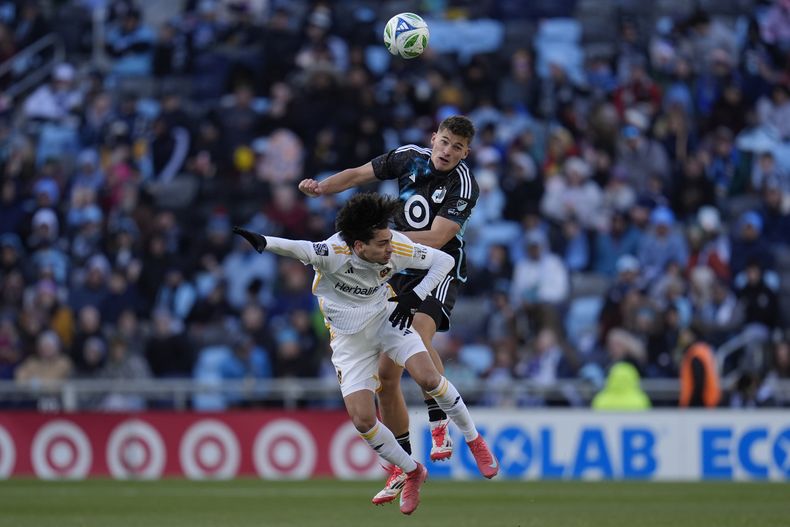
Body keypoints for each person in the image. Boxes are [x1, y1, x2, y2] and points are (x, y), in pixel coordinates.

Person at [233, 193, 498, 515]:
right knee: (361, 419)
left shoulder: (396, 247)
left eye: (390, 240)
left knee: (429, 377)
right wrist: (262, 241)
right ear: (359, 247)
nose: (391, 247)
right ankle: (412, 471)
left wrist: (414, 295)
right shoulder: (333, 253)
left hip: (386, 318)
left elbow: (444, 261)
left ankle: (474, 440)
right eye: (382, 243)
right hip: (348, 341)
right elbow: (296, 246)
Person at [299, 115, 479, 504]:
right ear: (434, 138)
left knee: (418, 331)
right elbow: (359, 174)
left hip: (437, 266)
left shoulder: (464, 184)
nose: (448, 151)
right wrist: (322, 187)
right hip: (393, 265)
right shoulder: (408, 158)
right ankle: (403, 465)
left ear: (466, 153)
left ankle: (439, 421)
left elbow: (439, 237)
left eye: (457, 147)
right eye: (444, 142)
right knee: (385, 376)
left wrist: (379, 238)